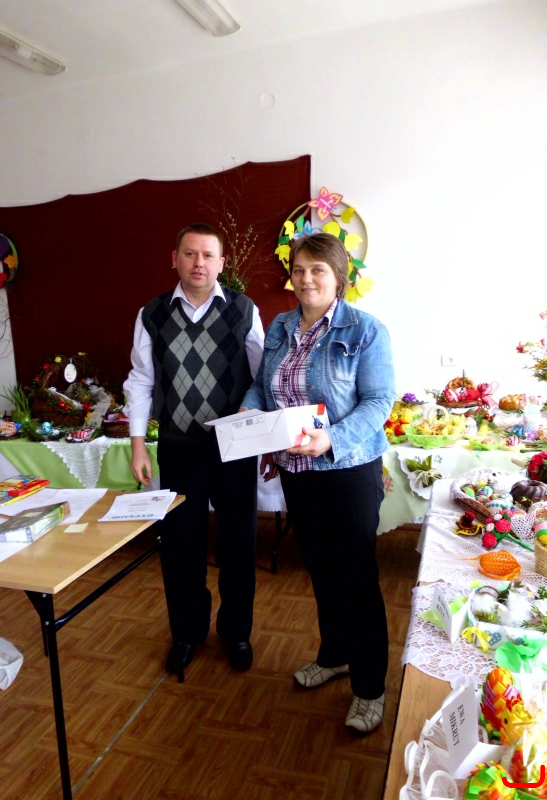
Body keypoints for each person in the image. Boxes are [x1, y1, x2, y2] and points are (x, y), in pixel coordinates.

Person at [240, 232, 395, 733]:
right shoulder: (281, 326)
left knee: (357, 580)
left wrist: (330, 440)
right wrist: (250, 421)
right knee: (322, 571)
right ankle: (336, 655)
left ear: (338, 277)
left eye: (318, 270)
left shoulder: (366, 330)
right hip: (297, 473)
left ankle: (370, 687)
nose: (306, 279)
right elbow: (262, 387)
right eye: (299, 269)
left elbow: (379, 402)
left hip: (347, 472)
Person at [123, 223, 264, 677]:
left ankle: (236, 632)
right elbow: (141, 381)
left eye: (207, 255)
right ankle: (187, 632)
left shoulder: (244, 310)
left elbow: (262, 379)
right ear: (175, 259)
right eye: (189, 253)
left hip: (234, 447)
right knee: (181, 545)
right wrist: (138, 446)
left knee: (238, 543)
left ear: (222, 263)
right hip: (178, 449)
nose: (198, 263)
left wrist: (264, 438)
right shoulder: (152, 314)